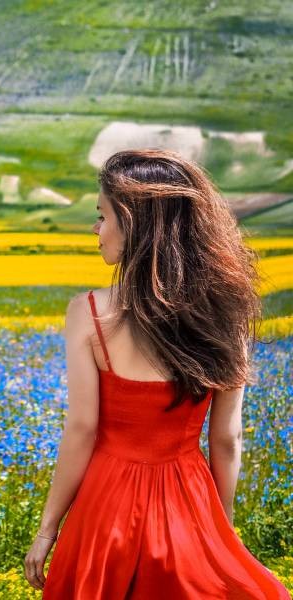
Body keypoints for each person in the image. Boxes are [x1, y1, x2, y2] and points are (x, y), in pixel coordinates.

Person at [22, 149, 290, 598]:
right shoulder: (226, 314)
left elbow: (83, 429)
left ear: (134, 225)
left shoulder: (89, 312)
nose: (96, 229)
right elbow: (226, 439)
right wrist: (218, 532)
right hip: (187, 504)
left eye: (102, 216)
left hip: (104, 508)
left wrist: (48, 529)